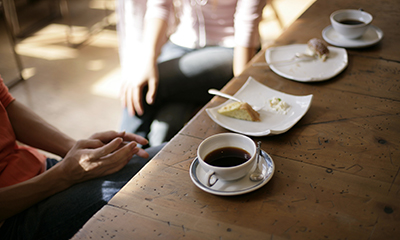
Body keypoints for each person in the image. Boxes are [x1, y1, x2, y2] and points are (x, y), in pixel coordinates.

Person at [0, 76, 164, 239]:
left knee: (162, 155)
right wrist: (63, 177)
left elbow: (5, 104)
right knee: (150, 179)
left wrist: (79, 149)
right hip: (11, 218)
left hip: (41, 169)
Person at [118, 0, 266, 146]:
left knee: (141, 86)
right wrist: (148, 60)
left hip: (231, 49)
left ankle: (118, 158)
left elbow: (245, 23)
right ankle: (131, 161)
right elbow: (159, 7)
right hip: (180, 45)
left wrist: (241, 86)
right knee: (162, 132)